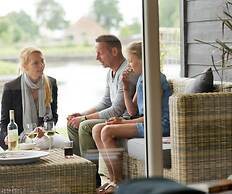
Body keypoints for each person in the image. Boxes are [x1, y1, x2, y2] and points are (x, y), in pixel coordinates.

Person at [92, 41, 172, 193]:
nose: (128, 64)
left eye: (130, 60)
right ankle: (111, 179)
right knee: (97, 129)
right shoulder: (143, 78)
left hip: (159, 124)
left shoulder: (155, 79)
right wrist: (126, 87)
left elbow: (153, 116)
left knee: (107, 131)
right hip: (146, 121)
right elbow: (133, 109)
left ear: (144, 59)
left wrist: (121, 121)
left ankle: (118, 182)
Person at [66, 35, 138, 187]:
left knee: (85, 126)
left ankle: (92, 181)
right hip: (113, 117)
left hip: (122, 119)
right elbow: (105, 102)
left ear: (114, 51)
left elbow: (117, 110)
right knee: (72, 124)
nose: (97, 57)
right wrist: (81, 114)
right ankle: (82, 172)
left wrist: (84, 119)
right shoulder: (110, 73)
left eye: (100, 53)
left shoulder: (127, 72)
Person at [0, 47, 58, 150]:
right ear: (24, 67)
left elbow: (54, 116)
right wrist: (6, 136)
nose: (41, 65)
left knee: (64, 143)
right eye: (35, 63)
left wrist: (43, 128)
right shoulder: (11, 88)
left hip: (44, 135)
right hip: (22, 136)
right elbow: (4, 122)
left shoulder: (51, 83)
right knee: (43, 144)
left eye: (42, 61)